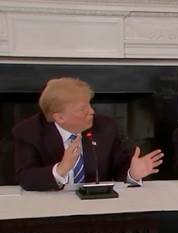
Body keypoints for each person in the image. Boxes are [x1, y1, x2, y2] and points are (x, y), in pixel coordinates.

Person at [12, 78, 163, 191]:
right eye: (82, 109)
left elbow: (121, 166)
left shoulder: (106, 127)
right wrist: (61, 169)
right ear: (59, 117)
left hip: (96, 207)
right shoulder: (28, 132)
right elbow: (27, 177)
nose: (91, 112)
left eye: (90, 104)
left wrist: (133, 174)